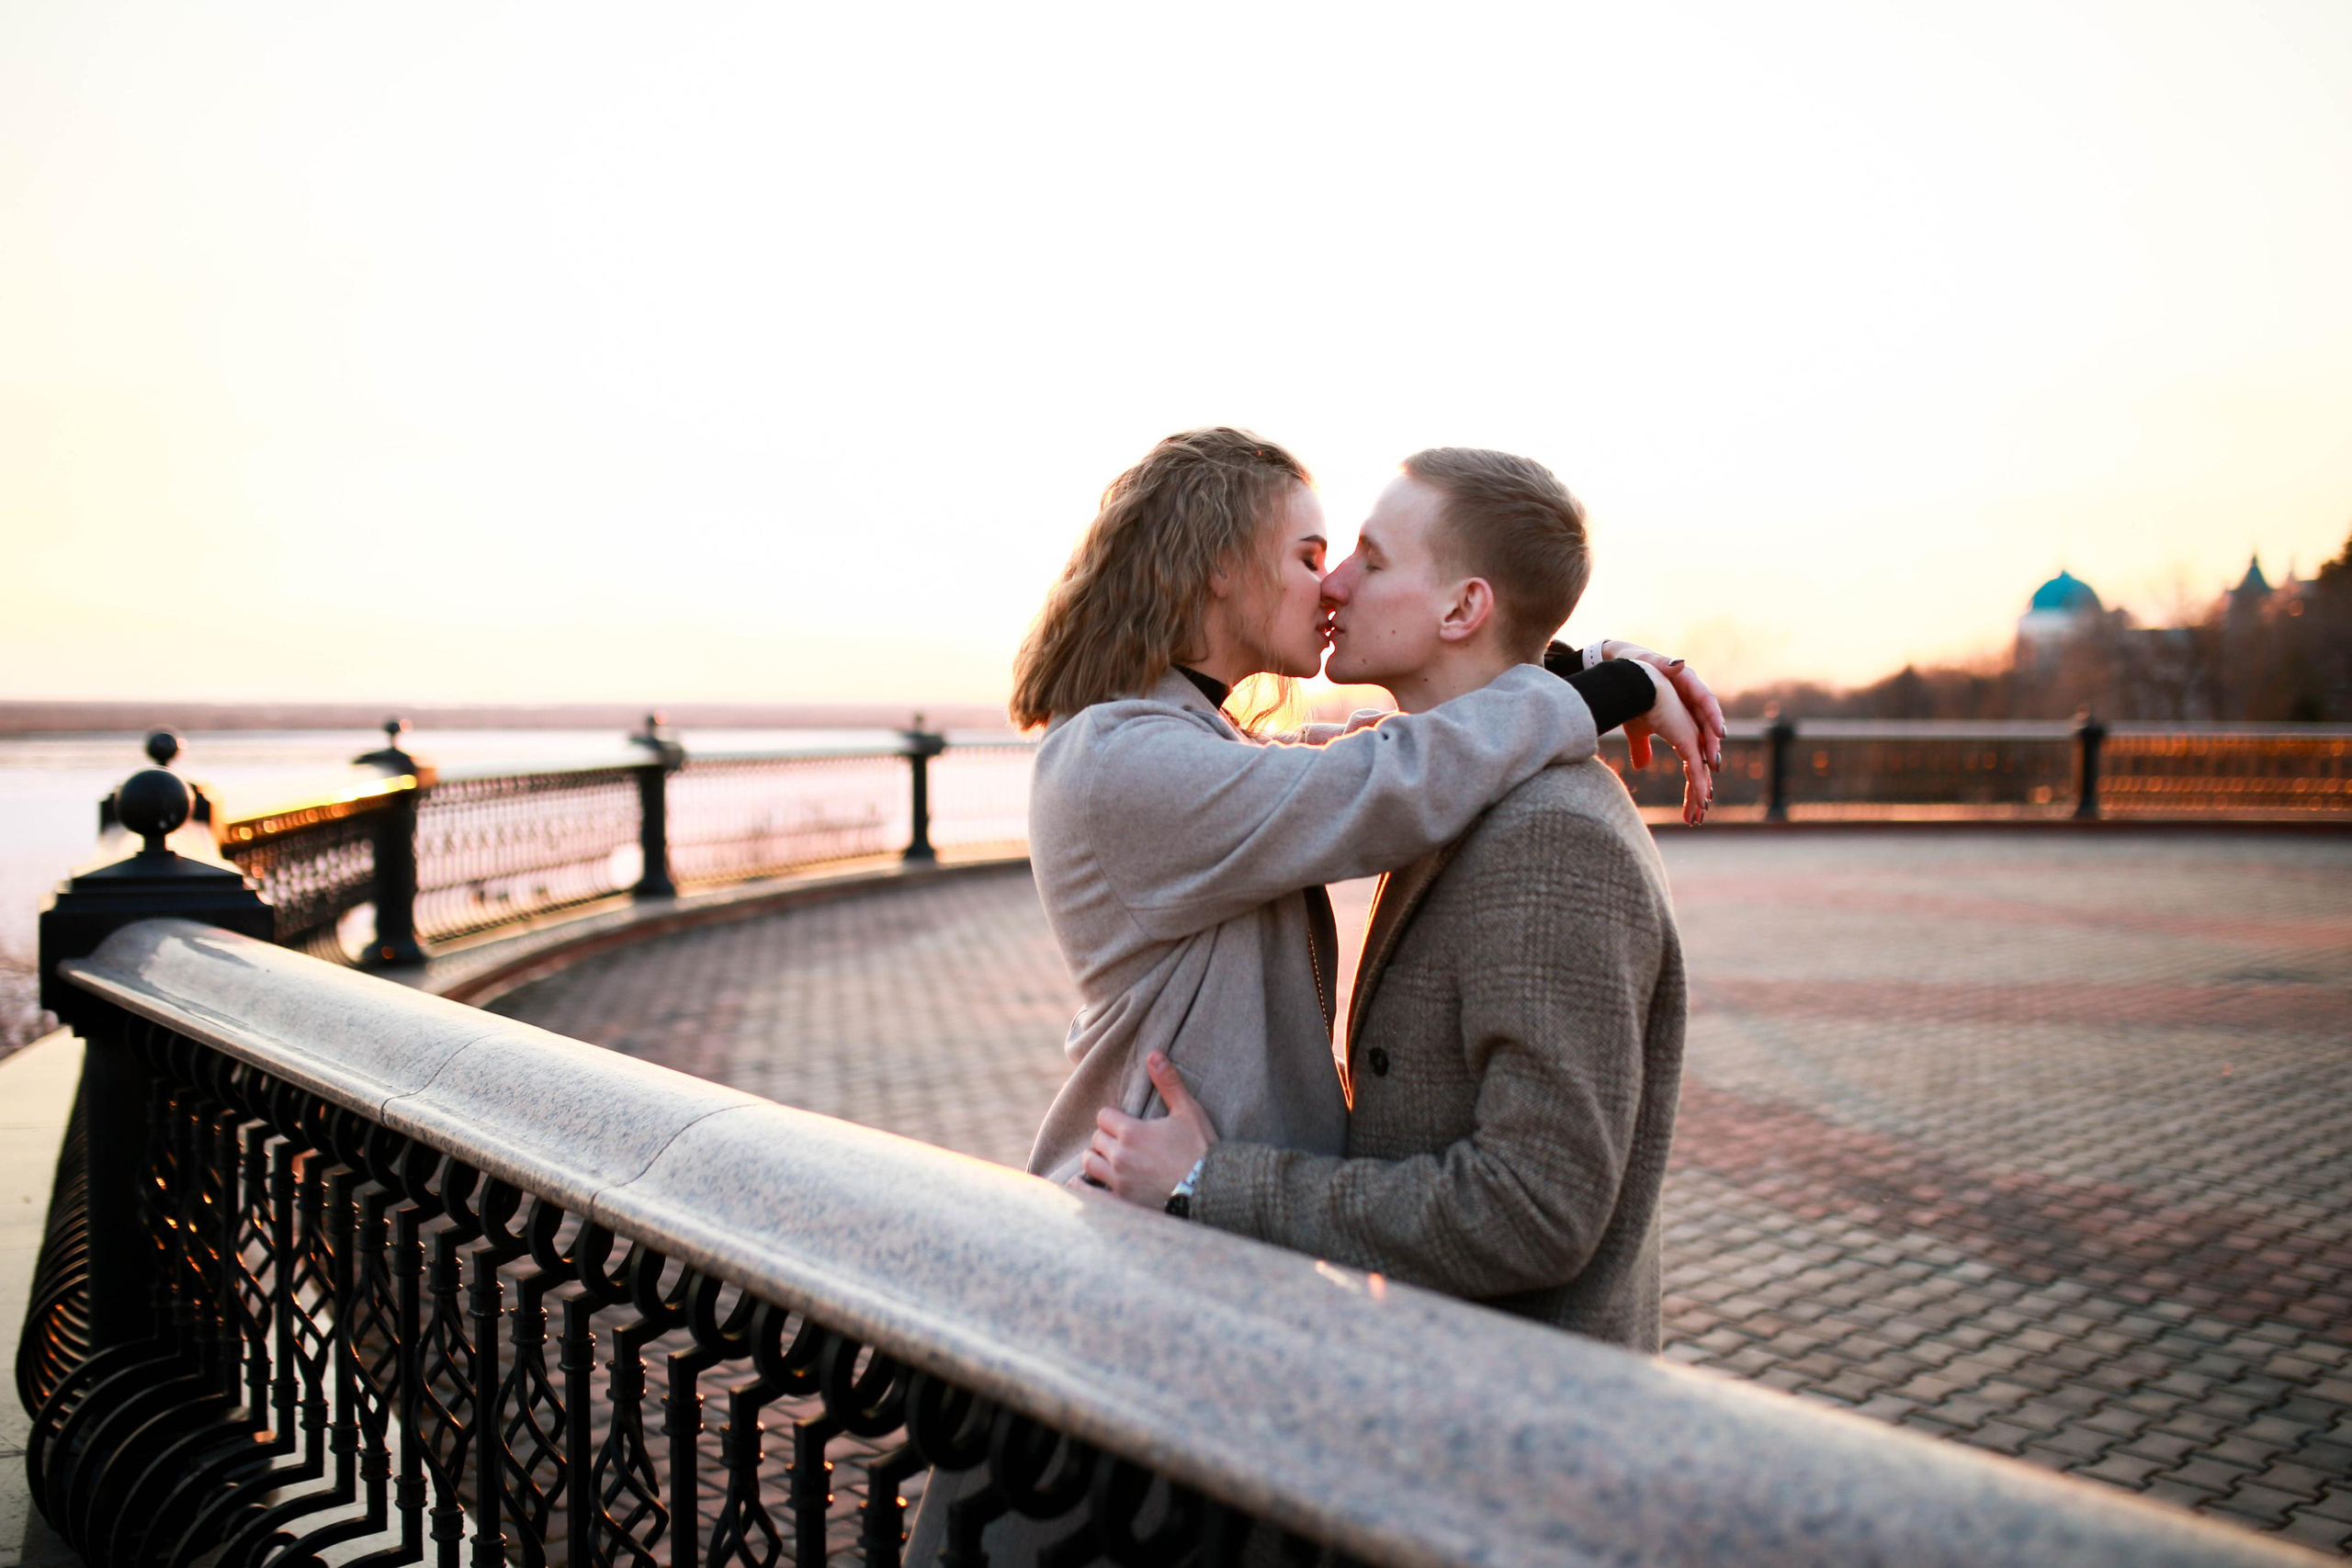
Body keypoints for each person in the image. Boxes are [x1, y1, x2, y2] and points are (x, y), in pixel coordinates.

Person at [1082, 447, 1686, 1351]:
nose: (1335, 583)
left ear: (1461, 608)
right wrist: (1593, 673)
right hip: (1436, 1382)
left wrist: (1210, 1181)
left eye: (1368, 556)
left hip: (1509, 1421)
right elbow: (1372, 770)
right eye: (1321, 555)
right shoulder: (1448, 789)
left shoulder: (1549, 837)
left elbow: (1532, 1208)